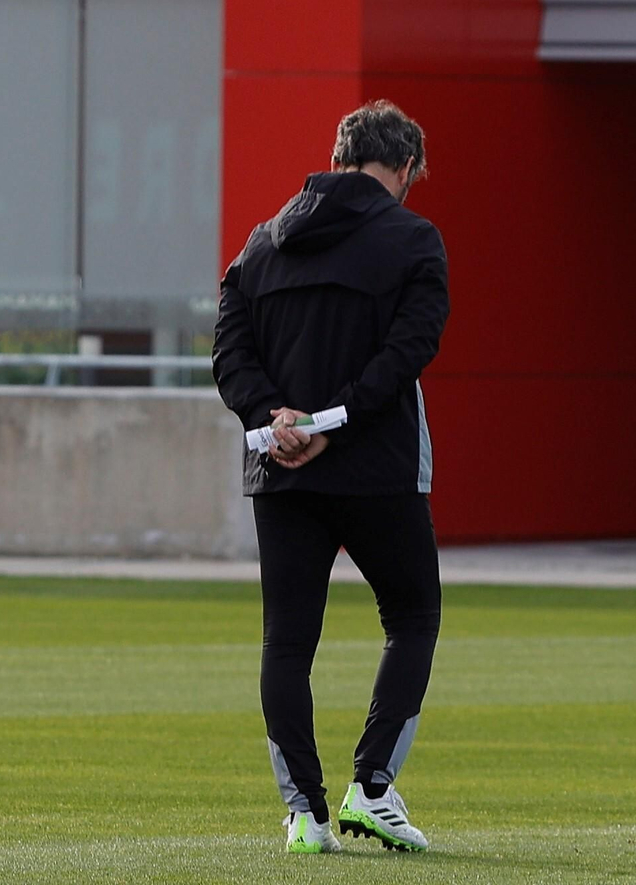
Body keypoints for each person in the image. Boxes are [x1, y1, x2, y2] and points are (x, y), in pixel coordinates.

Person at [212, 100, 449, 855]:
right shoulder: (414, 239)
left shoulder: (260, 243)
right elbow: (410, 350)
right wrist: (333, 419)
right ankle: (372, 786)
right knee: (412, 618)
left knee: (287, 642)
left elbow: (228, 351)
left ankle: (305, 815)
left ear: (339, 154)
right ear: (404, 167)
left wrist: (275, 419)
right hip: (375, 467)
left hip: (280, 469)